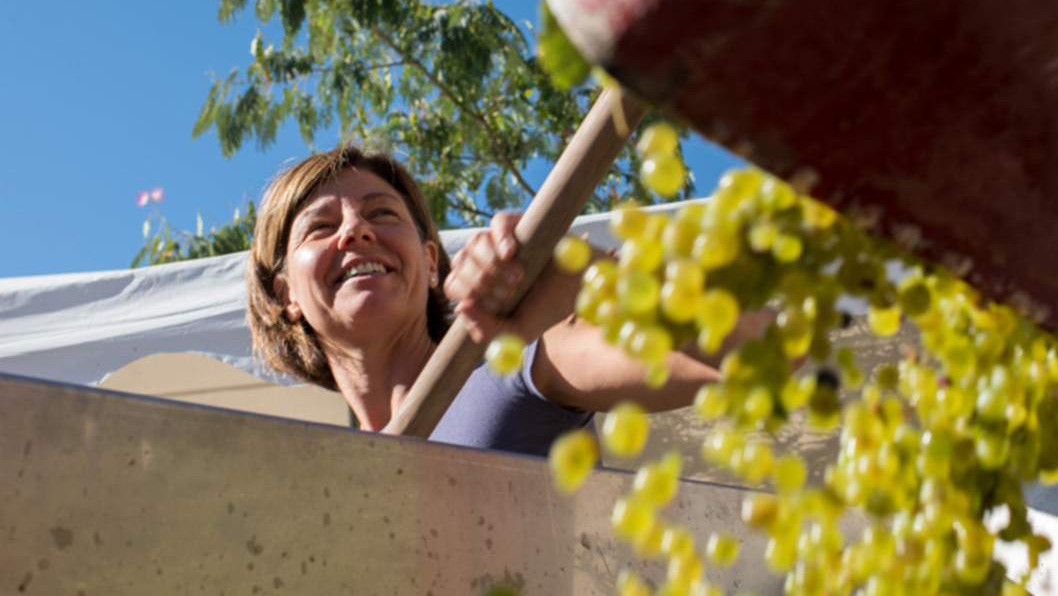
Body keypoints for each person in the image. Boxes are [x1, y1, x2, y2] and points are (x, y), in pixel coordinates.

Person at [246, 146, 765, 456]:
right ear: (284, 294)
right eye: (321, 226)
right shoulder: (328, 492)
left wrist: (600, 282)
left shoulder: (518, 367)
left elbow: (764, 352)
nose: (356, 231)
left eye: (382, 214)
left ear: (431, 264)